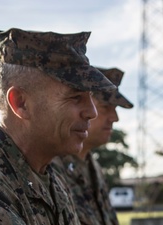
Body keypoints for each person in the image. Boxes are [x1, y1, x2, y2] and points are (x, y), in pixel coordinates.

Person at [0, 28, 116, 224]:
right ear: (21, 103)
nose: (92, 112)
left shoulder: (53, 184)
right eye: (75, 97)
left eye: (90, 97)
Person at [52, 67, 133, 225]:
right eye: (105, 107)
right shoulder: (49, 167)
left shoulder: (93, 167)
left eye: (115, 109)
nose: (115, 118)